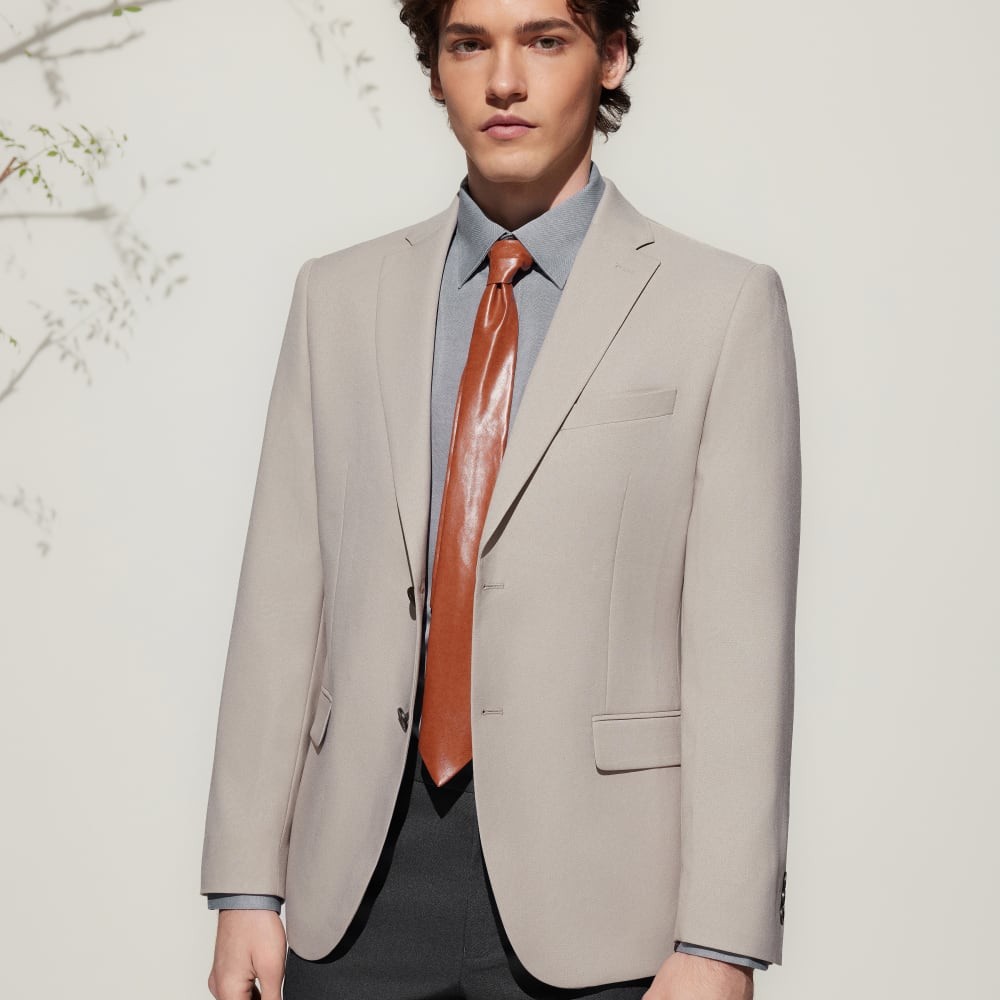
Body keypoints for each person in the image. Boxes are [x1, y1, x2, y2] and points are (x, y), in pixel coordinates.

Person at [200, 1, 801, 998]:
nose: (505, 81)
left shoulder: (721, 307)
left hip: (608, 906)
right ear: (435, 68)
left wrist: (719, 941)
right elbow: (279, 602)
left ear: (611, 57)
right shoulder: (336, 298)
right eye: (469, 44)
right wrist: (244, 888)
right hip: (354, 890)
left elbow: (741, 650)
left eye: (545, 40)